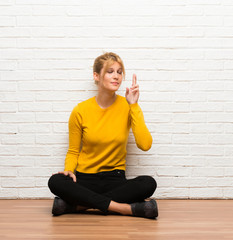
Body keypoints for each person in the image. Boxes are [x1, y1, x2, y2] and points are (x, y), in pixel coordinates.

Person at [48, 52, 158, 219]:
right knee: (55, 181)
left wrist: (134, 106)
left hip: (115, 180)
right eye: (110, 71)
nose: (116, 77)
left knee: (149, 183)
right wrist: (69, 170)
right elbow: (73, 151)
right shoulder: (80, 110)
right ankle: (125, 209)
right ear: (96, 76)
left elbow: (145, 145)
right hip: (85, 181)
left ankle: (79, 206)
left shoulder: (128, 106)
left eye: (119, 72)